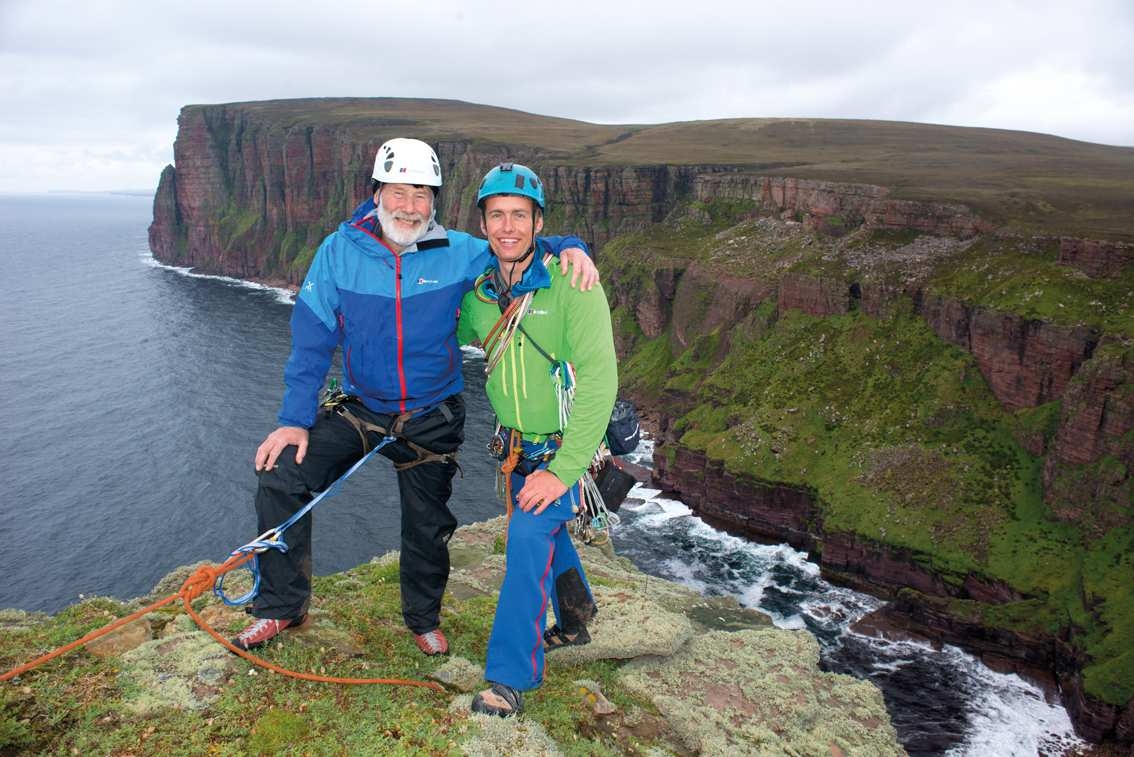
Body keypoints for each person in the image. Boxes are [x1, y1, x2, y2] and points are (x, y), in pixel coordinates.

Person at [233, 139, 598, 656]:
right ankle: (280, 606)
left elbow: (517, 244)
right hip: (363, 409)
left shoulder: (460, 252)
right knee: (282, 475)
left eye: (422, 195)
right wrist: (294, 420)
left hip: (432, 414)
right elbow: (312, 340)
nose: (409, 206)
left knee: (428, 527)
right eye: (399, 192)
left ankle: (423, 619)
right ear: (377, 192)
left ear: (435, 202)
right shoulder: (338, 253)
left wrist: (571, 244)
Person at [456, 163, 617, 716]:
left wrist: (563, 470)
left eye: (519, 216)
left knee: (526, 543)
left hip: (568, 449)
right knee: (543, 528)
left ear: (538, 222)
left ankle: (508, 680)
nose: (508, 227)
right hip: (518, 448)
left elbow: (600, 379)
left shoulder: (573, 282)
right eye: (497, 215)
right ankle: (576, 617)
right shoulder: (478, 293)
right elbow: (436, 336)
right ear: (483, 222)